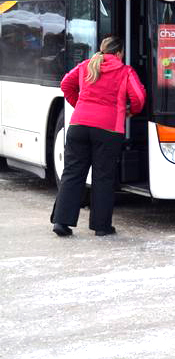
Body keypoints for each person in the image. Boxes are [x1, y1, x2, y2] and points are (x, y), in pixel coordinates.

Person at [51, 36, 145, 237]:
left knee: (72, 173)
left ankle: (61, 222)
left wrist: (79, 105)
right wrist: (130, 112)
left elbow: (65, 84)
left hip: (78, 126)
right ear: (119, 53)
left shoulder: (85, 65)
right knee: (103, 177)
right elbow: (139, 96)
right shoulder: (125, 71)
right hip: (108, 129)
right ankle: (101, 227)